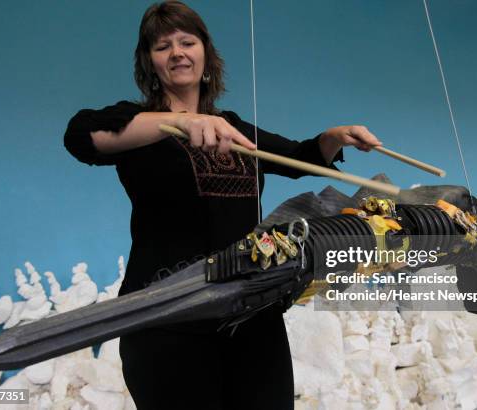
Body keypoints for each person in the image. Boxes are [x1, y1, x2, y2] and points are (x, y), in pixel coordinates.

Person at [64, 1, 381, 408]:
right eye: (163, 46)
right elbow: (80, 136)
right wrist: (179, 122)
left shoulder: (232, 127)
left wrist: (336, 136)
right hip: (167, 317)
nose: (177, 52)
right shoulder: (138, 123)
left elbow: (304, 157)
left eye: (187, 41)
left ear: (205, 54)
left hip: (251, 315)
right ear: (150, 62)